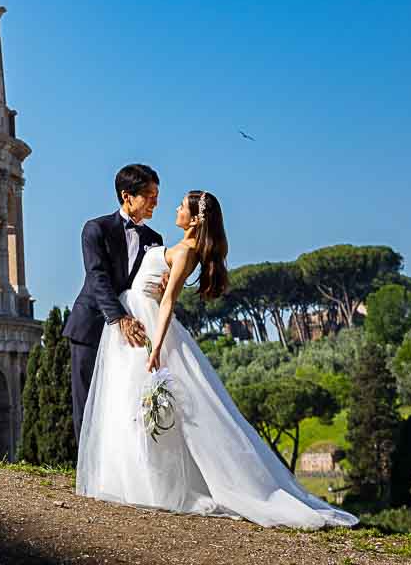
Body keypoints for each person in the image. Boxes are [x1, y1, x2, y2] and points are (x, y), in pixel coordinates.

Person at [75, 190, 358, 529]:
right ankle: (124, 476)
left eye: (182, 206)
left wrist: (156, 347)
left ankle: (148, 483)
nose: (174, 208)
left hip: (147, 324)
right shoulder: (177, 246)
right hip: (133, 318)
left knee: (146, 406)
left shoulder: (186, 250)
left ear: (195, 219)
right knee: (128, 403)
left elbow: (167, 304)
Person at [63, 164, 165, 442]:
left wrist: (162, 289)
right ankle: (85, 474)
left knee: (121, 399)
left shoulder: (155, 240)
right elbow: (97, 277)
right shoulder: (95, 229)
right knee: (86, 403)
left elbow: (146, 283)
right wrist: (118, 319)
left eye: (157, 194)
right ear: (126, 196)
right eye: (149, 195)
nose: (156, 201)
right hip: (92, 326)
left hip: (132, 331)